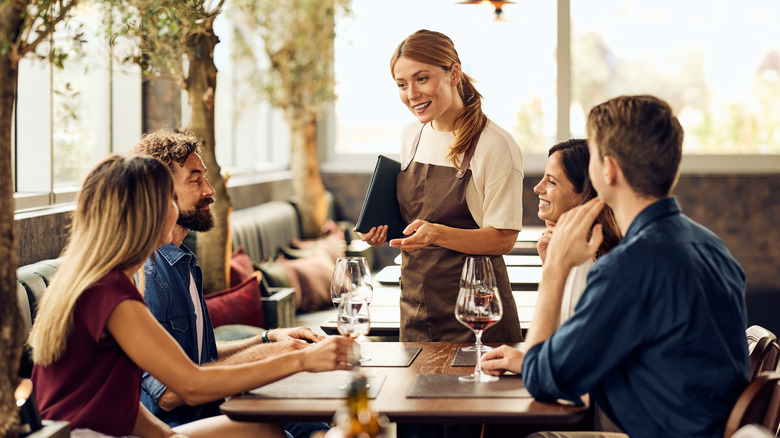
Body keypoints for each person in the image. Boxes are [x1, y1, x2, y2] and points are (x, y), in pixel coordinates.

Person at [480, 95, 749, 438]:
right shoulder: (712, 247)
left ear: (607, 170)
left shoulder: (628, 266)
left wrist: (554, 272)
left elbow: (545, 380)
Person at [28, 154, 352, 438]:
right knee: (263, 430)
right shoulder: (112, 293)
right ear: (145, 212)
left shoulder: (100, 280)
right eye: (167, 198)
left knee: (266, 426)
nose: (174, 207)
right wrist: (301, 358)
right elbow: (190, 385)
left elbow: (111, 396)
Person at [131, 130, 329, 437]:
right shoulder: (149, 275)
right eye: (194, 180)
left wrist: (266, 340)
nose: (210, 190)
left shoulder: (183, 262)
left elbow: (200, 357)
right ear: (160, 193)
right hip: (176, 425)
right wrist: (277, 357)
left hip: (211, 408)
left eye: (205, 177)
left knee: (315, 421)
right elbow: (169, 394)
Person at [360, 29, 523, 344]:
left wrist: (436, 234)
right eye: (402, 84)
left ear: (454, 73)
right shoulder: (412, 135)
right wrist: (383, 230)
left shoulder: (494, 144)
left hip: (478, 314)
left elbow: (503, 239)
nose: (412, 94)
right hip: (415, 309)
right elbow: (415, 216)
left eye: (422, 79)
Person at [533, 139, 620, 325]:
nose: (537, 188)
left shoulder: (594, 261)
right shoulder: (567, 249)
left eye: (551, 182)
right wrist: (550, 265)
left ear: (585, 193)